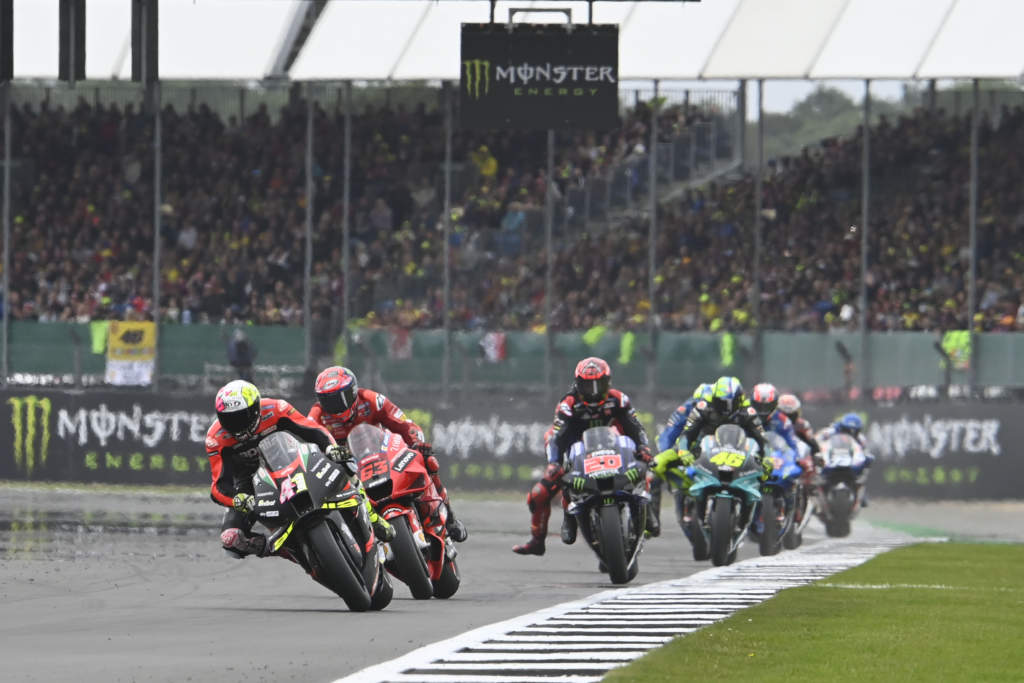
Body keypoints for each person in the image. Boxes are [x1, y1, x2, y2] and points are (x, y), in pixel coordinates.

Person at [208, 379, 394, 559]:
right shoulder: (216, 437)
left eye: (242, 416)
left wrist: (330, 448)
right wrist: (237, 499)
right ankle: (289, 551)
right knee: (231, 538)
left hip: (291, 459)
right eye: (229, 419)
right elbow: (218, 486)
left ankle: (372, 516)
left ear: (255, 408)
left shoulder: (275, 408)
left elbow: (311, 429)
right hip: (250, 482)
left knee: (342, 461)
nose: (237, 425)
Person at [307, 366, 467, 543]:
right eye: (327, 400)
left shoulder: (371, 400)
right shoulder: (317, 415)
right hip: (350, 469)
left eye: (339, 398)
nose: (334, 406)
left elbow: (404, 423)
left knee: (428, 460)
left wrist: (417, 443)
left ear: (352, 392)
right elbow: (308, 442)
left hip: (382, 455)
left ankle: (450, 519)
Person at [512, 357, 654, 556]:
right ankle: (541, 537)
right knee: (538, 494)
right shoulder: (568, 404)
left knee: (647, 464)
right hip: (577, 451)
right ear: (578, 384)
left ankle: (646, 507)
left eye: (599, 384)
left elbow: (635, 428)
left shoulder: (619, 399)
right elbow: (557, 437)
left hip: (612, 448)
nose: (594, 392)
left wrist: (643, 449)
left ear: (608, 382)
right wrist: (554, 463)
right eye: (588, 385)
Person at [679, 376, 772, 479]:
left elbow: (763, 439)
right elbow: (687, 433)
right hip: (703, 453)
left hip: (739, 455)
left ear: (739, 399)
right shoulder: (704, 407)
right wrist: (683, 450)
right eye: (721, 402)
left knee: (765, 474)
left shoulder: (748, 411)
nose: (726, 408)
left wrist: (768, 457)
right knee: (662, 461)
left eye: (731, 403)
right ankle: (664, 489)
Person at [655, 382, 712, 531]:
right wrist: (667, 453)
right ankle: (652, 522)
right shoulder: (684, 410)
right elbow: (668, 434)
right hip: (685, 451)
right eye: (701, 403)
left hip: (712, 454)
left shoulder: (721, 412)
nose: (704, 407)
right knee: (653, 472)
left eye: (709, 404)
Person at [749, 382, 801, 463]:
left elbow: (792, 445)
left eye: (767, 406)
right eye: (759, 406)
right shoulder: (745, 416)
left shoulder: (783, 421)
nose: (763, 411)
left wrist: (796, 459)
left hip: (775, 461)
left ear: (775, 405)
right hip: (750, 458)